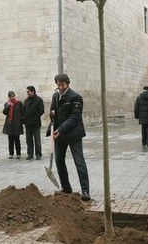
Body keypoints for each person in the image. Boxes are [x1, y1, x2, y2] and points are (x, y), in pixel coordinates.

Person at [50, 73, 90, 201]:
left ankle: (85, 191)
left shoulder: (75, 97)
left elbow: (74, 118)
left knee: (79, 162)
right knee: (59, 161)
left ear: (67, 84)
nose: (60, 87)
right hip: (59, 135)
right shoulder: (55, 96)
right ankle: (66, 188)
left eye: (62, 85)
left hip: (73, 134)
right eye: (58, 85)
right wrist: (52, 116)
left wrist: (61, 129)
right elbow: (53, 112)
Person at [23, 85, 44, 160]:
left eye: (28, 92)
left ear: (33, 91)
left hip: (35, 123)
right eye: (27, 92)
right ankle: (30, 154)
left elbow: (41, 110)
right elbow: (24, 111)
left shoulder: (39, 100)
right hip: (28, 124)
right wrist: (24, 120)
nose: (27, 93)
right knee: (28, 140)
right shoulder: (26, 101)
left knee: (37, 139)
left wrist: (35, 118)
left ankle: (38, 154)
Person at [2, 91, 24, 159]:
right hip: (10, 124)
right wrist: (8, 106)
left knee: (17, 139)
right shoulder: (6, 104)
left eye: (13, 96)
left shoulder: (19, 103)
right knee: (10, 139)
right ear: (9, 97)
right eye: (11, 97)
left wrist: (21, 121)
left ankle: (18, 153)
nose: (12, 98)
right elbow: (5, 112)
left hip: (17, 123)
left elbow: (22, 113)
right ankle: (11, 153)